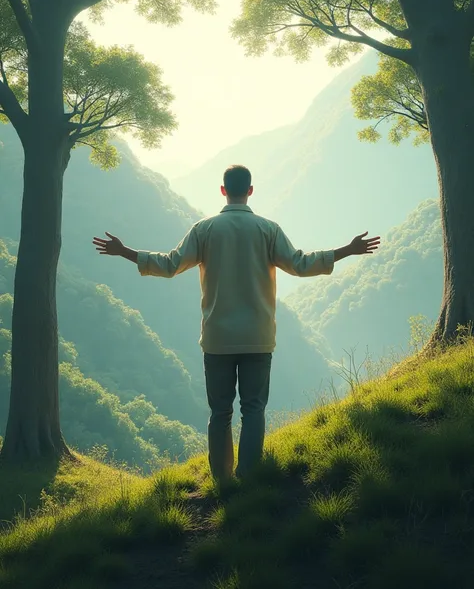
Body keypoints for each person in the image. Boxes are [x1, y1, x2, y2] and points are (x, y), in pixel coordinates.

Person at [92, 164, 380, 482]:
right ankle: (250, 476)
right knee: (254, 409)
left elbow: (170, 264)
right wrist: (348, 250)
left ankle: (222, 481)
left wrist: (124, 251)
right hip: (258, 336)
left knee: (220, 413)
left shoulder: (204, 230)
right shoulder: (268, 229)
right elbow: (300, 264)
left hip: (217, 338)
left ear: (223, 190)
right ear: (251, 191)